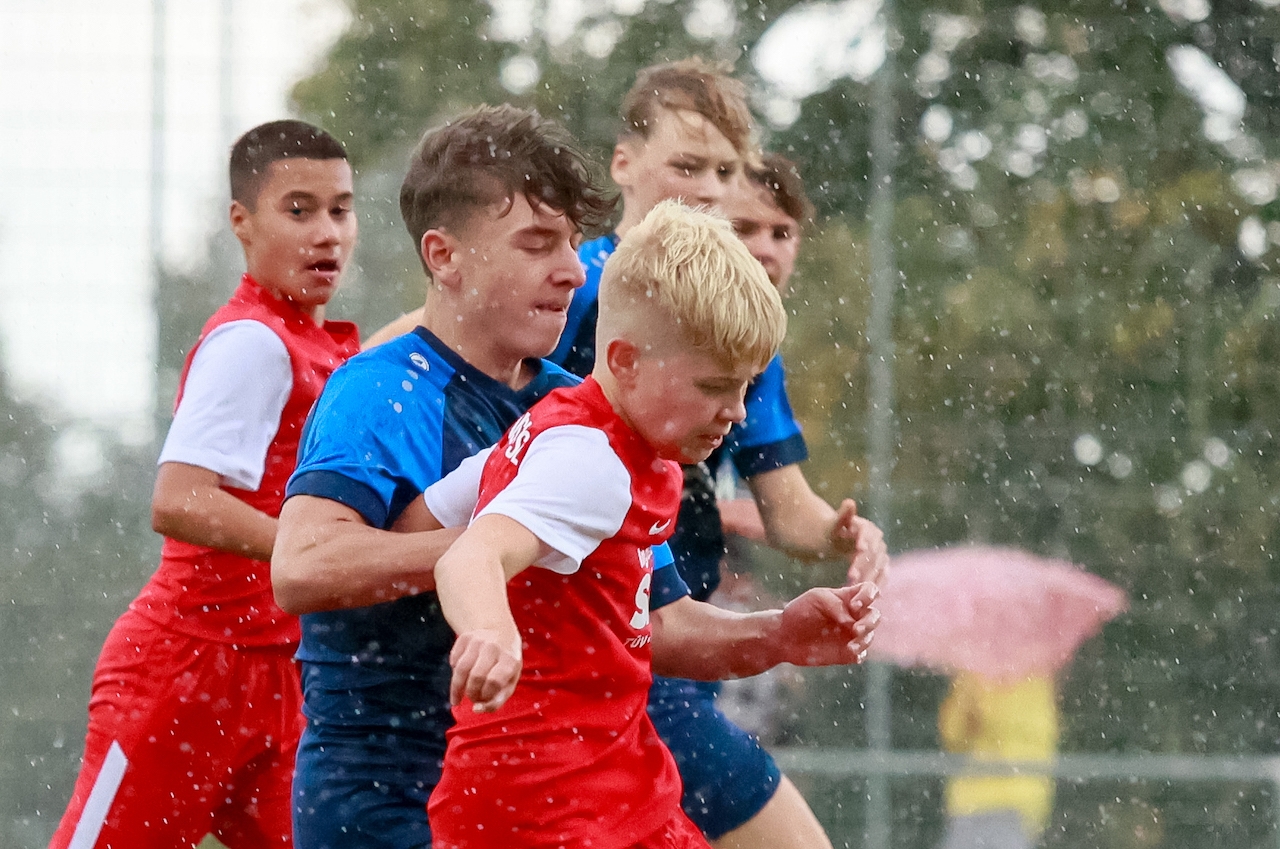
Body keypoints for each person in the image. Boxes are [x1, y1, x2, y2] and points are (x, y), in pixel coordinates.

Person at [271, 104, 888, 849]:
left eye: (570, 242)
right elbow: (300, 567)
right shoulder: (382, 391)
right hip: (388, 794)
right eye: (537, 245)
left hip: (544, 787)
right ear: (444, 256)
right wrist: (518, 541)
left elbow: (655, 620)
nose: (570, 270)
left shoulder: (584, 407)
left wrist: (775, 633)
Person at [422, 200, 880, 849]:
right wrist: (491, 629)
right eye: (714, 386)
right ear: (625, 360)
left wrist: (778, 633)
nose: (736, 412)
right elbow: (468, 556)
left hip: (609, 783)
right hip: (547, 803)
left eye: (746, 388)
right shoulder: (592, 462)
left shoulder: (578, 433)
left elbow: (658, 627)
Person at [548, 59, 889, 849]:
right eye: (688, 165)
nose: (710, 189)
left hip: (683, 642)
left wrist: (840, 532)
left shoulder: (739, 319)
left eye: (729, 172)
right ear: (624, 164)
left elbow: (787, 505)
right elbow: (447, 350)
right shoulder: (570, 286)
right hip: (602, 647)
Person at [50, 119, 361, 849]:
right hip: (186, 672)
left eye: (340, 209)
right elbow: (179, 499)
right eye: (299, 209)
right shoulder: (252, 341)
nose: (327, 232)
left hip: (285, 680)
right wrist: (309, 551)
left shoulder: (318, 344)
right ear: (241, 222)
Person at [936, 673, 1058, 849]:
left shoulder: (1031, 683)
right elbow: (953, 735)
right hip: (984, 800)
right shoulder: (972, 677)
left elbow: (953, 735)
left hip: (998, 799)